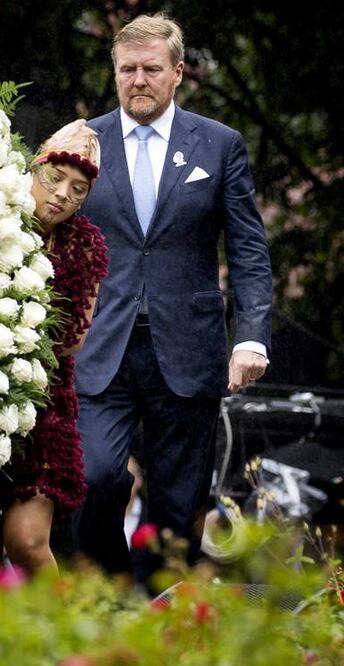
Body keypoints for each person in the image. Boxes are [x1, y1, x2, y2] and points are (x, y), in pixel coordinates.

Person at [72, 14, 272, 580]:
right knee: (96, 477)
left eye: (151, 69)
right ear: (114, 72)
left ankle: (149, 614)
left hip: (189, 347)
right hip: (99, 343)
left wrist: (251, 336)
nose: (138, 80)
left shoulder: (219, 144)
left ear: (177, 73)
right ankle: (108, 591)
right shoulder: (83, 141)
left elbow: (249, 251)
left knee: (178, 503)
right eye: (127, 70)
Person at [0, 120, 109, 576]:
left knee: (25, 542)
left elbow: (74, 337)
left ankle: (65, 642)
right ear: (34, 167)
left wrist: (17, 322)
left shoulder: (84, 245)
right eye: (55, 178)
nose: (63, 194)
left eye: (78, 189)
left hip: (42, 405)